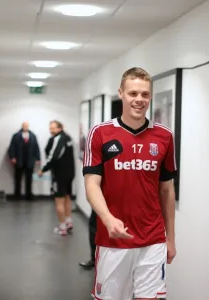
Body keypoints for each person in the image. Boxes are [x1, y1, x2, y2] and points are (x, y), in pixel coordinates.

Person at [83, 67, 177, 300]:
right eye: (133, 93)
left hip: (152, 240)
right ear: (121, 94)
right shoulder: (100, 133)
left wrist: (170, 239)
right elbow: (91, 184)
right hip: (113, 240)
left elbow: (166, 190)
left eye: (145, 94)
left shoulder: (164, 136)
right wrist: (107, 219)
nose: (139, 100)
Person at [38, 120, 75, 236]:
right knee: (67, 197)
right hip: (69, 173)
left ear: (60, 128)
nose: (51, 130)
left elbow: (54, 156)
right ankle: (68, 222)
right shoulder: (68, 138)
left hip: (60, 175)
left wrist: (43, 169)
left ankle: (62, 227)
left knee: (59, 201)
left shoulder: (59, 139)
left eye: (53, 128)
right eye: (50, 128)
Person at [8, 121, 40, 200]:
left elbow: (36, 147)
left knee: (29, 179)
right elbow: (12, 147)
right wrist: (12, 157)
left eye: (27, 125)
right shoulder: (16, 136)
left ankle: (29, 195)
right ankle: (17, 195)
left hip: (29, 160)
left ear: (28, 126)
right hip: (19, 160)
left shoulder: (33, 136)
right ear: (22, 126)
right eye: (24, 125)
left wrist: (38, 158)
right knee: (17, 178)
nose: (25, 127)